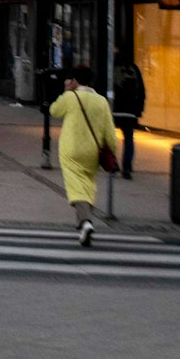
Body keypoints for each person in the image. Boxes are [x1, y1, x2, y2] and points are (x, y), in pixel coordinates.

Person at [48, 64, 117, 247]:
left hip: (70, 149)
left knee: (75, 187)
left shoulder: (70, 97)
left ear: (75, 81)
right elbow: (110, 132)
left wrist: (65, 91)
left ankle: (85, 222)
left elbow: (54, 111)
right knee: (87, 184)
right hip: (92, 150)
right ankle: (82, 223)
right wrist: (113, 152)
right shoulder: (101, 101)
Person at [110, 49, 145, 180]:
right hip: (130, 111)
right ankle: (127, 168)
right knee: (129, 139)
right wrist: (139, 111)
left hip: (114, 109)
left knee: (108, 137)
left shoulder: (112, 68)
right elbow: (141, 91)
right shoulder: (134, 69)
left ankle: (112, 164)